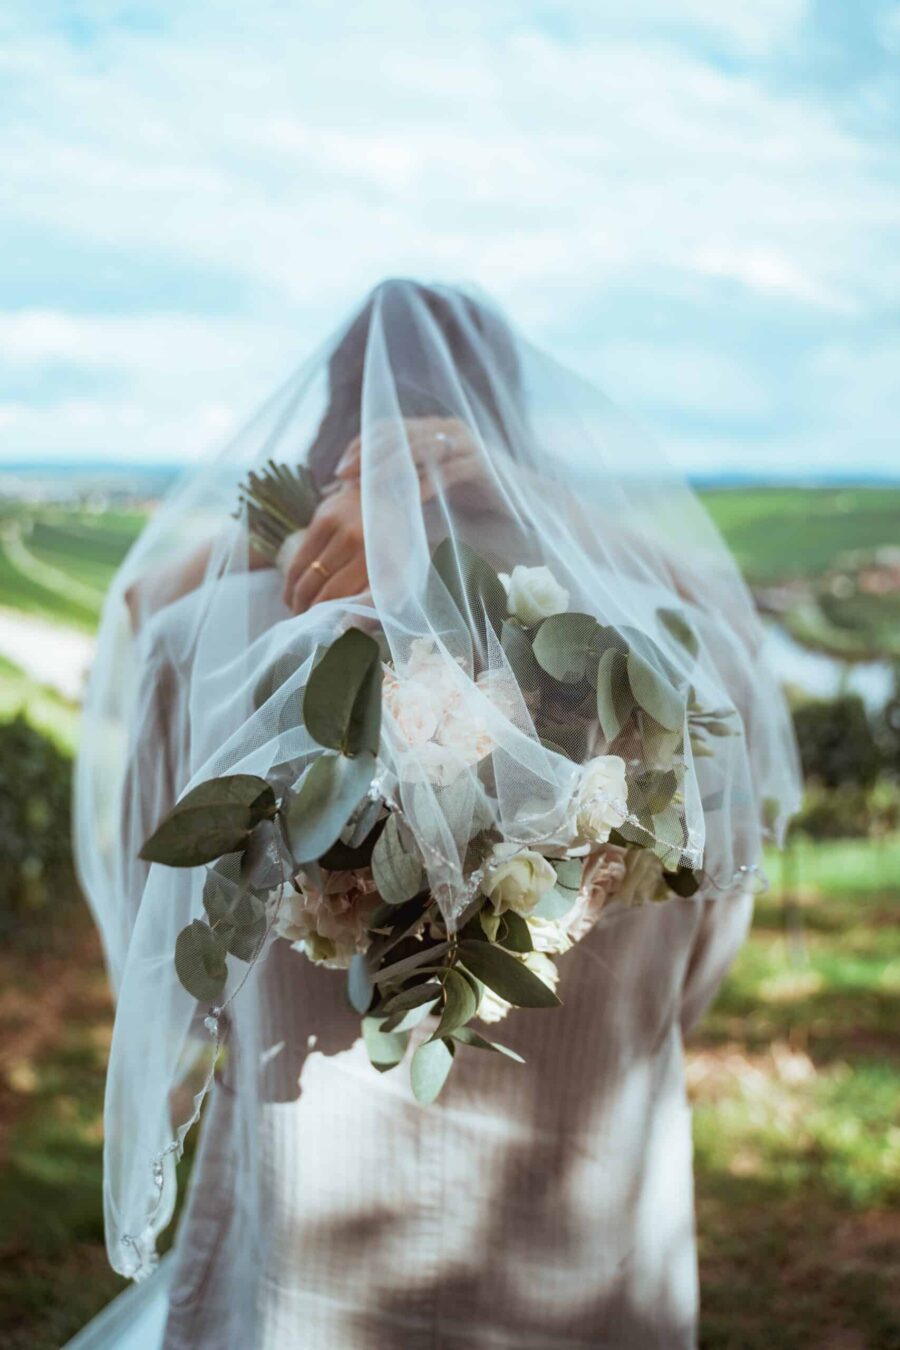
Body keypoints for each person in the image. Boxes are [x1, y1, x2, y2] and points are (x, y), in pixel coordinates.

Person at [75, 279, 800, 1348]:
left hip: (306, 1236)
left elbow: (166, 933)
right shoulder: (676, 658)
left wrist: (316, 514)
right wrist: (509, 487)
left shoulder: (199, 649)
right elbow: (709, 930)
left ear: (332, 421)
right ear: (510, 419)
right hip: (582, 1237)